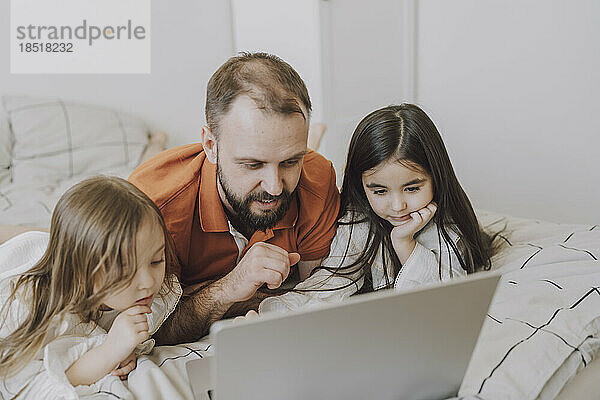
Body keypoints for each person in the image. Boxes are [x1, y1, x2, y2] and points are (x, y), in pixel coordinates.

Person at [128, 52, 340, 343]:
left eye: (290, 161)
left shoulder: (316, 178)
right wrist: (230, 287)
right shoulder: (154, 209)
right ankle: (155, 144)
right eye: (253, 164)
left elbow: (318, 295)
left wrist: (203, 296)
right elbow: (145, 331)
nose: (275, 188)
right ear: (211, 145)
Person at [259, 104, 496, 312]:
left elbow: (441, 304)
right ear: (362, 186)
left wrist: (406, 244)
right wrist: (272, 315)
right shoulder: (359, 220)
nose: (398, 206)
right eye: (380, 191)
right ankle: (312, 145)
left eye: (412, 189)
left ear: (436, 177)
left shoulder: (448, 231)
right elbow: (332, 280)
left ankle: (313, 144)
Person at [0, 176, 181, 399]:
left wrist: (126, 350)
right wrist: (108, 353)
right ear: (81, 271)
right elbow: (22, 388)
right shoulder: (31, 306)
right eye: (126, 271)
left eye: (156, 261)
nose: (149, 282)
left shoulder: (143, 294)